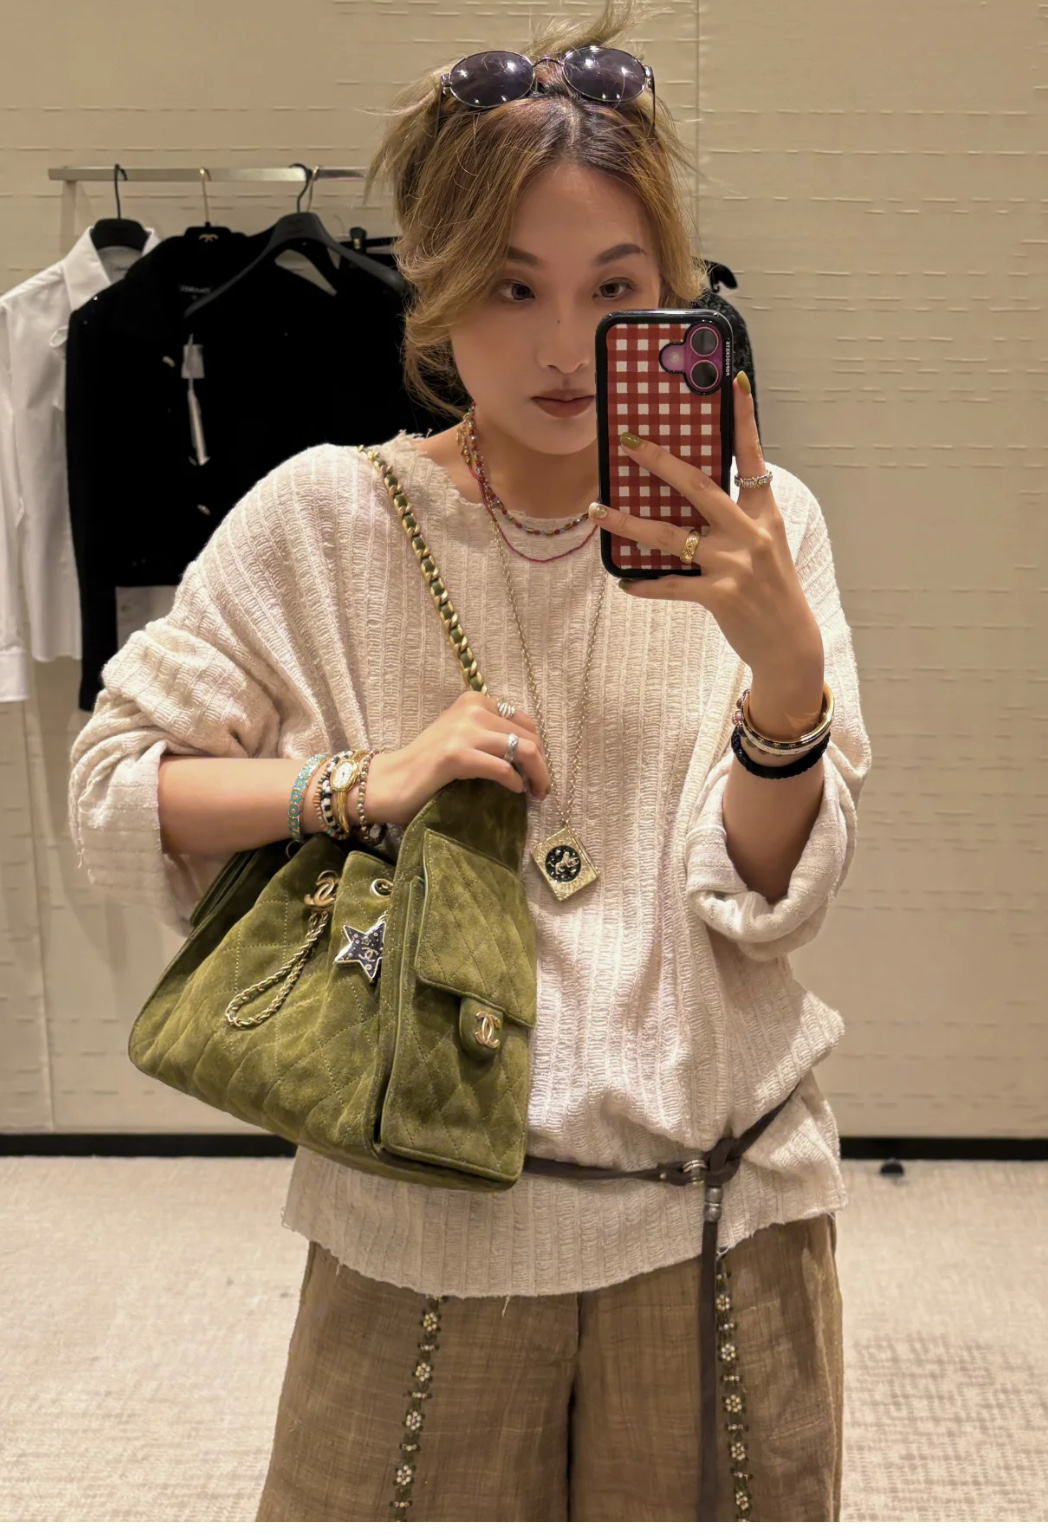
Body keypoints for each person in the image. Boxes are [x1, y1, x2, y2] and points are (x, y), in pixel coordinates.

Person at [67, 0, 871, 1520]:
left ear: (669, 296)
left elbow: (770, 902)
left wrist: (784, 682)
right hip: (423, 1229)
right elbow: (116, 789)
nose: (563, 345)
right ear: (434, 285)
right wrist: (360, 780)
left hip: (720, 1218)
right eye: (511, 285)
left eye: (612, 288)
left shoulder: (766, 531)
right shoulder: (329, 519)